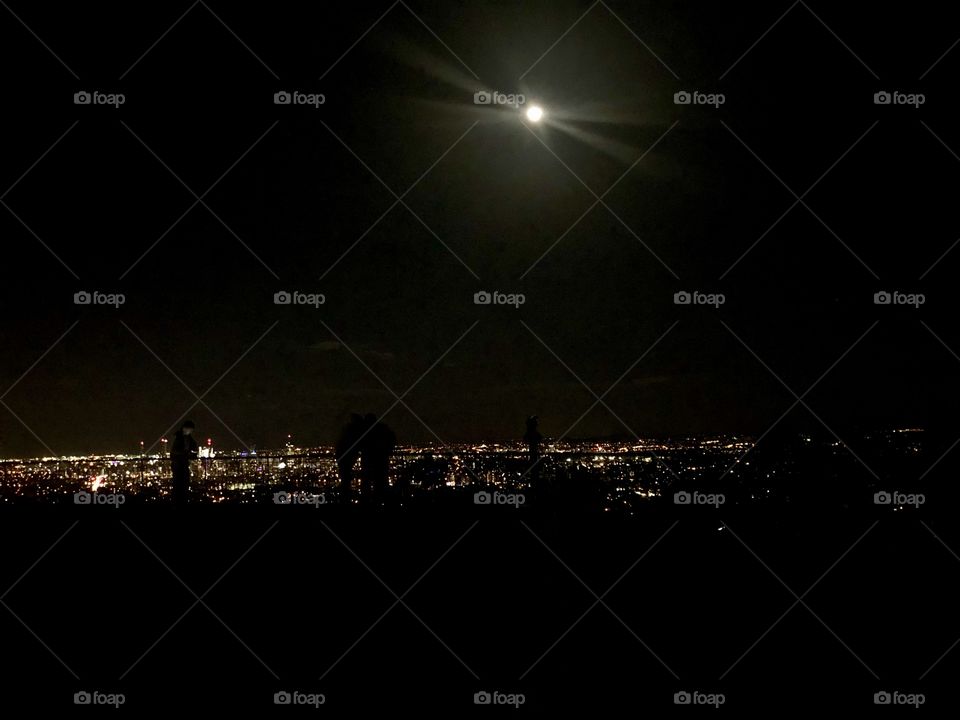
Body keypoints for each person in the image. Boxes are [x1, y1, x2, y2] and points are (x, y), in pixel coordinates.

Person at [360, 414, 396, 501]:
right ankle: (381, 502)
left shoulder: (365, 432)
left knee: (367, 483)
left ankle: (367, 502)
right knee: (381, 483)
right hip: (381, 461)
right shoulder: (383, 429)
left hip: (369, 461)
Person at [335, 413, 366, 500]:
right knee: (346, 478)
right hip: (347, 457)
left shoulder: (347, 430)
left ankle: (344, 498)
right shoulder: (355, 431)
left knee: (345, 478)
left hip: (343, 456)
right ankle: (346, 497)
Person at [170, 420, 198, 506]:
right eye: (189, 429)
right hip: (179, 464)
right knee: (180, 485)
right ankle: (179, 503)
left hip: (182, 464)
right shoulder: (180, 438)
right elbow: (174, 452)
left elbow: (194, 451)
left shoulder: (188, 439)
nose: (189, 431)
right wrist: (185, 453)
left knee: (182, 485)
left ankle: (180, 503)